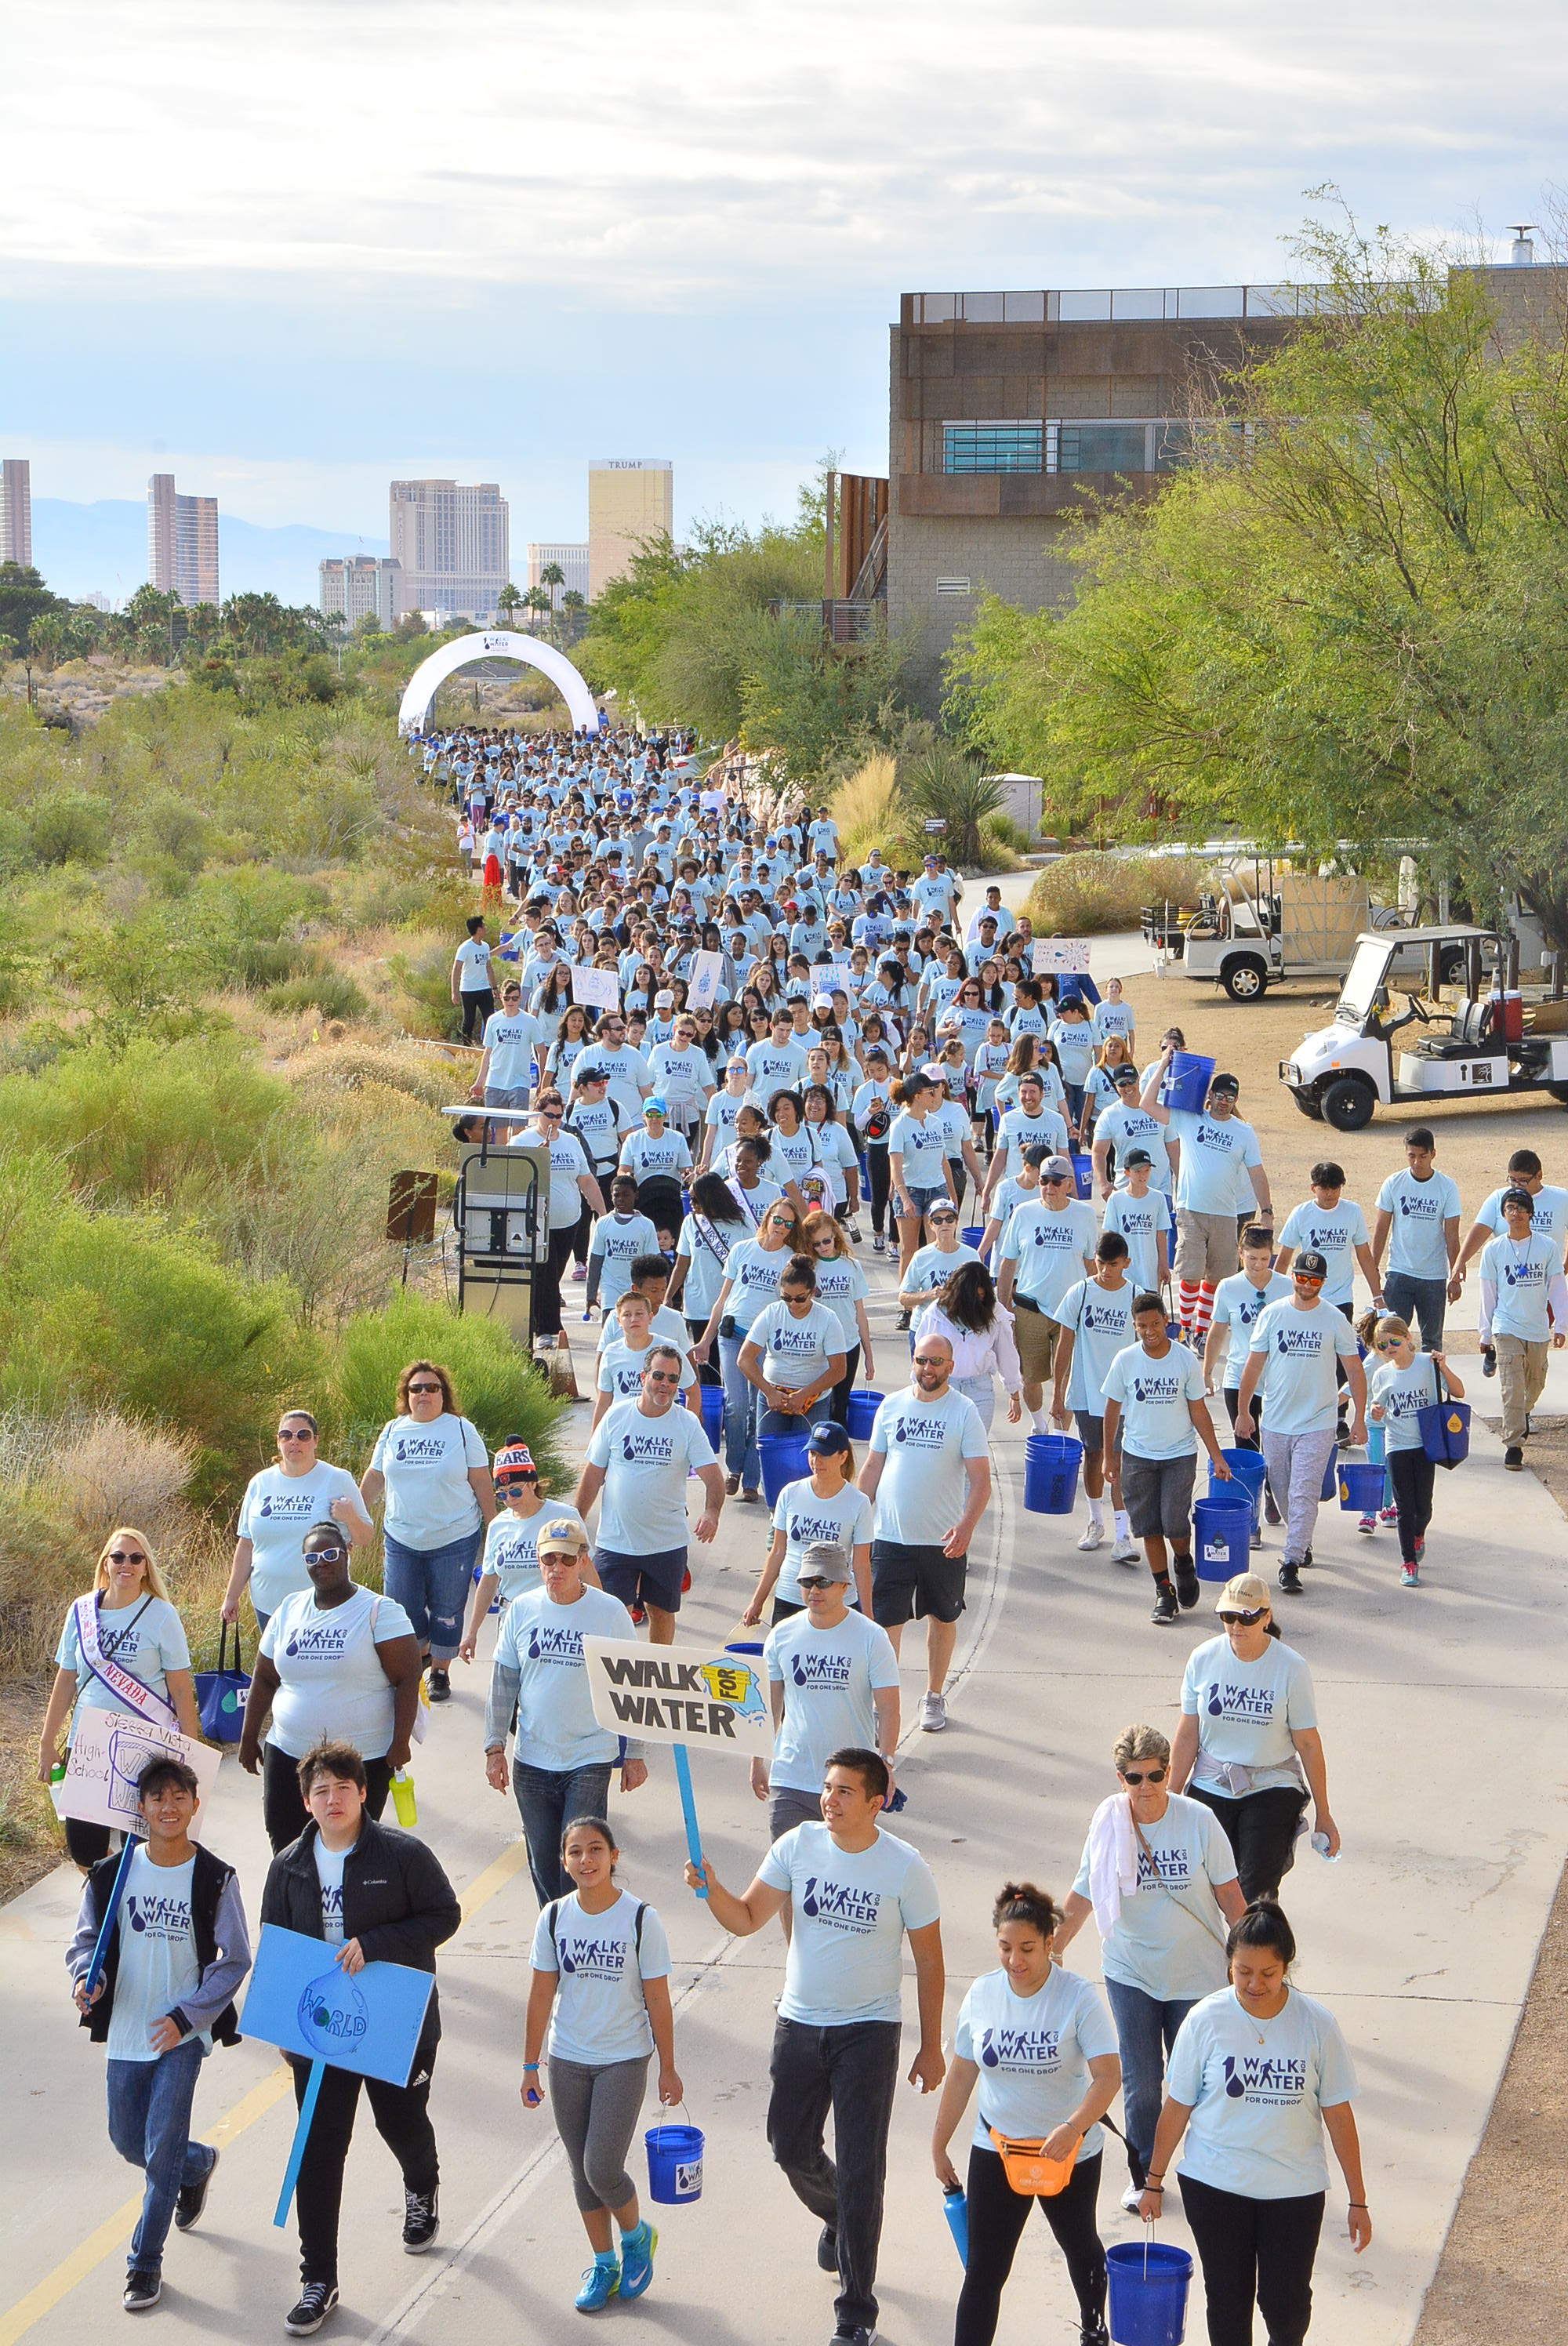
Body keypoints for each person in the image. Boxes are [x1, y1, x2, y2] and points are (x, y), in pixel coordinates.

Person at [684, 1750, 945, 2346]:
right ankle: (838, 2215)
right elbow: (746, 1917)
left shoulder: (905, 1867)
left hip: (869, 2032)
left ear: (876, 1802)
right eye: (827, 1788)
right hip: (799, 2025)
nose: (829, 1799)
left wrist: (931, 2047)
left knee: (861, 2169)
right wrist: (712, 1889)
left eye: (845, 1791)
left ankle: (856, 2311)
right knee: (789, 2146)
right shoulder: (797, 1845)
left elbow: (930, 1961)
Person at [260, 1739, 462, 2335]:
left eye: (343, 1788)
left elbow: (444, 1915)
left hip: (395, 2024)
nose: (333, 1800)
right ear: (306, 1802)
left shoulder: (402, 1854)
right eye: (321, 1790)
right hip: (322, 2032)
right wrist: (284, 2026)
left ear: (364, 1793)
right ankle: (318, 2278)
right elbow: (276, 1944)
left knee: (400, 2124)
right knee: (319, 2151)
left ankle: (421, 2183)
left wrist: (375, 1945)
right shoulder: (289, 1866)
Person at [67, 1755, 252, 2314]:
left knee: (159, 2151)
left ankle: (144, 2264)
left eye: (179, 1798)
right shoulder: (111, 1874)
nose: (168, 1807)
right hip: (128, 2030)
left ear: (195, 1805)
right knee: (130, 2141)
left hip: (181, 2037)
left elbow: (234, 1958)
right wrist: (88, 1978)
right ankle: (196, 2165)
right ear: (142, 1808)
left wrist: (187, 2016)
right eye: (157, 1798)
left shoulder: (216, 1877)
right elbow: (86, 1942)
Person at [1138, 1902, 1369, 2346]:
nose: (1254, 1984)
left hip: (1294, 2190)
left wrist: (1358, 2199)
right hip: (1216, 2185)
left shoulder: (1317, 2025)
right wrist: (1153, 2181)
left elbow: (1338, 2114)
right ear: (1229, 1964)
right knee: (1227, 2303)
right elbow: (1178, 2105)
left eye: (1268, 1973)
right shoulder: (1204, 2020)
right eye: (1243, 1972)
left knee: (1287, 2310)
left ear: (1286, 1967)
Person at [1055, 1726, 1245, 2210]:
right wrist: (1050, 1952)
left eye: (1156, 1776)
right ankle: (1143, 2175)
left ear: (1169, 1772)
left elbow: (1229, 1895)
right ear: (1120, 1778)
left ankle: (1209, 2170)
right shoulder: (1107, 1824)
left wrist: (1252, 1957)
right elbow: (1082, 1895)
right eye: (1134, 1778)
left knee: (1200, 2080)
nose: (1146, 1788)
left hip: (1196, 1975)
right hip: (1131, 1971)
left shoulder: (1198, 1821)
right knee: (1141, 2082)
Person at [932, 1880, 1120, 2346]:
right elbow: (962, 2073)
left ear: (1050, 1942)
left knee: (1080, 2245)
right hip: (998, 2148)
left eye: (1027, 1949)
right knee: (983, 2270)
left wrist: (1074, 2127)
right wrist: (939, 2144)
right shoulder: (982, 1994)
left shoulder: (1077, 1997)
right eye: (1005, 1948)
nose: (1015, 1960)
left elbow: (1108, 2077)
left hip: (1068, 2151)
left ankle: (1094, 2328)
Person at [522, 1816, 680, 2312]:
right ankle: (604, 2263)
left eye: (595, 1849)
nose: (585, 1860)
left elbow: (658, 1998)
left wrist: (668, 2066)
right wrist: (530, 2065)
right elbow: (541, 1993)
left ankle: (636, 2237)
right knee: (580, 2171)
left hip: (623, 2058)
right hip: (567, 2057)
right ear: (563, 1861)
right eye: (575, 1852)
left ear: (614, 1857)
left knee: (601, 2167)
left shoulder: (641, 1919)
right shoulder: (553, 1917)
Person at [484, 1518, 648, 1904]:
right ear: (538, 1561)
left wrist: (636, 1753)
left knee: (578, 1861)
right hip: (532, 1759)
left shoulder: (609, 1613)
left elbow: (634, 1687)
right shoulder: (521, 1610)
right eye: (549, 1559)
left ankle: (583, 1928)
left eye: (567, 1560)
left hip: (589, 1756)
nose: (557, 1568)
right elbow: (504, 1682)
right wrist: (494, 1747)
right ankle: (554, 1932)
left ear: (583, 1561)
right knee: (544, 1864)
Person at [239, 1522, 423, 1851]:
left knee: (349, 1847)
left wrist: (400, 1744)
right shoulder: (289, 1609)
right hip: (288, 1751)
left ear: (347, 1554)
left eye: (330, 1555)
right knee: (285, 1843)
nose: (321, 1563)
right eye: (312, 1558)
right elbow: (265, 1677)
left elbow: (408, 1679)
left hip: (363, 1757)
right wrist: (248, 1735)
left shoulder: (379, 1611)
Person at [752, 1542, 901, 1917]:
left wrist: (885, 1762)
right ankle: (796, 1954)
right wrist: (758, 1759)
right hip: (791, 1776)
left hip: (852, 1782)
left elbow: (888, 1707)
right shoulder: (782, 1635)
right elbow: (768, 1707)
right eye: (807, 1582)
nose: (814, 1590)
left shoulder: (871, 1637)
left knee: (842, 1884)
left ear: (845, 1585)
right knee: (788, 1881)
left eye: (824, 1581)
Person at [39, 1531, 201, 1871]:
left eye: (136, 1558)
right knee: (84, 1849)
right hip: (89, 1745)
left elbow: (180, 1688)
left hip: (146, 1747)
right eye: (118, 1557)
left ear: (145, 1568)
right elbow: (66, 1679)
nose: (126, 1564)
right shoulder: (81, 1611)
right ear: (105, 1563)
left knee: (144, 1847)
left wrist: (191, 1752)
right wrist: (47, 1742)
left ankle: (126, 1899)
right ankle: (103, 1894)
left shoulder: (162, 1615)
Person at [1169, 1571, 1338, 1895]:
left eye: (1246, 1618)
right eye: (1228, 1617)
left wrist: (1324, 1813)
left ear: (1266, 1617)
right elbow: (1188, 1734)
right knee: (1204, 1888)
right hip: (1212, 1782)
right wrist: (1171, 1798)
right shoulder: (1202, 1659)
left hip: (1272, 1785)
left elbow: (1308, 1744)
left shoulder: (1291, 1668)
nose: (1236, 1626)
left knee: (1255, 1891)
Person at [859, 1331, 992, 1732]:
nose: (927, 1369)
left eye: (936, 1362)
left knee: (943, 1618)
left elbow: (980, 1481)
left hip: (942, 1542)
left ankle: (934, 1695)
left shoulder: (964, 1412)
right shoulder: (891, 1405)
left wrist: (966, 1527)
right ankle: (883, 1704)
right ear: (912, 1362)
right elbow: (873, 1466)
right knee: (885, 1625)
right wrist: (854, 1516)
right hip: (890, 1537)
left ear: (950, 1367)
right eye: (921, 1360)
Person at [361, 1360, 495, 1701]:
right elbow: (375, 1476)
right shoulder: (393, 1431)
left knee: (447, 1611)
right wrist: (354, 1520)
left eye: (432, 1388)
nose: (424, 1394)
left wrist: (495, 1528)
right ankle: (422, 1653)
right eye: (416, 1388)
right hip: (402, 1539)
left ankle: (439, 1672)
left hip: (454, 1537)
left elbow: (481, 1480)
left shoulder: (461, 1430)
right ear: (406, 1395)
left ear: (443, 1394)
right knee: (402, 1608)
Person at [1235, 1250, 1366, 1596]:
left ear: (1324, 1283)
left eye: (1315, 1281)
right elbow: (1253, 1364)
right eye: (1302, 1278)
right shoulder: (1272, 1314)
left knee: (1304, 1492)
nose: (1307, 1285)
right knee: (1282, 1491)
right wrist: (1244, 1411)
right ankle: (1301, 1540)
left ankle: (1290, 1561)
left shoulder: (1335, 1319)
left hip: (1318, 1421)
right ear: (1292, 1276)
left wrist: (1359, 1418)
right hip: (1276, 1421)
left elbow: (1354, 1370)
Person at [574, 1346, 727, 1642]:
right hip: (616, 1541)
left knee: (660, 1612)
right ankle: (614, 1670)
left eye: (673, 1379)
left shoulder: (687, 1424)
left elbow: (713, 1477)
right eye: (659, 1376)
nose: (665, 1384)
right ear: (643, 1377)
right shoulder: (617, 1416)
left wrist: (712, 1512)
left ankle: (657, 1666)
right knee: (611, 1614)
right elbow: (593, 1475)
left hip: (666, 1543)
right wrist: (576, 1519)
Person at [1100, 1294, 1232, 1624]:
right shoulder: (1125, 1360)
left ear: (1166, 1322)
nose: (1150, 1331)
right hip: (1137, 1456)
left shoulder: (1185, 1360)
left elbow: (1198, 1410)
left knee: (1174, 1523)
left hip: (1179, 1455)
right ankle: (1164, 1592)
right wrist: (1109, 1457)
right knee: (1149, 1526)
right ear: (1134, 1326)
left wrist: (1217, 1456)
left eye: (1155, 1324)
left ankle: (1184, 1562)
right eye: (1142, 1326)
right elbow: (1112, 1410)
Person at [1140, 1057, 1272, 1345]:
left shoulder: (1244, 1131)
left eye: (1230, 1098)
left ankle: (1201, 1332)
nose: (1224, 1102)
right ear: (1210, 1095)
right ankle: (1187, 1329)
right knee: (1190, 1275)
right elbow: (1147, 1104)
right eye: (1220, 1095)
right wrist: (1163, 1064)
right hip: (1191, 1209)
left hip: (1226, 1212)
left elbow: (1257, 1172)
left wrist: (1267, 1211)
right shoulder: (1190, 1118)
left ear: (1235, 1101)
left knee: (1216, 1277)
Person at [224, 1410, 372, 1637]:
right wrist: (231, 1597)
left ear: (316, 1441)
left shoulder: (337, 1479)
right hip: (268, 1605)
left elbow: (365, 1537)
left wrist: (350, 1517)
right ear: (278, 1442)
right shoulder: (260, 1483)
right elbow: (246, 1545)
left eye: (303, 1435)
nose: (294, 1441)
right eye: (286, 1435)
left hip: (321, 1602)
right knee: (275, 1661)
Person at [695, 1196, 805, 1500]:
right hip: (732, 1335)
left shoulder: (790, 1259)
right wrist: (705, 1340)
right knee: (736, 1405)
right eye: (777, 1220)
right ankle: (734, 1468)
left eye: (788, 1224)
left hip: (764, 1343)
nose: (781, 1227)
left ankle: (751, 1480)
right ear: (767, 1218)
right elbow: (722, 1299)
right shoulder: (742, 1249)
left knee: (760, 1410)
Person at [1274, 1162, 1384, 1440]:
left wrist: (1377, 1295)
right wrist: (1275, 1295)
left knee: (1341, 1357)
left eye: (1335, 1188)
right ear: (1313, 1188)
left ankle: (1338, 1417)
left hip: (1340, 1298)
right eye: (1324, 1188)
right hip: (1307, 1297)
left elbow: (1364, 1254)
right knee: (1308, 1354)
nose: (1330, 1194)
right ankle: (1306, 1412)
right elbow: (1285, 1256)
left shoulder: (1352, 1212)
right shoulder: (1301, 1214)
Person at [994, 1153, 1098, 1433]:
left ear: (1069, 1185)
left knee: (1067, 1378)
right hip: (1031, 1308)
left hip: (1071, 1312)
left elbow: (1091, 1264)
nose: (1049, 1187)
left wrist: (1095, 1304)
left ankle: (1061, 1434)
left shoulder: (1085, 1215)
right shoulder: (1023, 1213)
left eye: (1056, 1182)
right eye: (1044, 1181)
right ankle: (1039, 1426)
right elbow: (1008, 1263)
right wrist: (1003, 1310)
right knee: (1031, 1377)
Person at [459, 1440, 591, 1657]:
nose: (509, 1499)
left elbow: (586, 1570)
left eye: (515, 1491)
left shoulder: (564, 1516)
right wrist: (472, 1633)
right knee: (507, 1677)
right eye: (502, 1494)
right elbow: (489, 1580)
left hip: (557, 1617)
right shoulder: (498, 1526)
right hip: (512, 1618)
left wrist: (599, 1615)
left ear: (532, 1483)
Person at [1050, 1232, 1137, 1558]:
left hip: (1124, 1397)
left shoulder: (1136, 1296)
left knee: (1120, 1460)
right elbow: (1065, 1344)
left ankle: (1123, 1535)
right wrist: (1058, 1394)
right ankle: (1095, 1521)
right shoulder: (1081, 1292)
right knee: (1094, 1456)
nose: (1105, 1270)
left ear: (1126, 1263)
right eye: (1101, 1263)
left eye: (1113, 1264)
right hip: (1086, 1392)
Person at [1363, 1312, 1466, 1587]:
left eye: (1394, 1341)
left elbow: (1459, 1392)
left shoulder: (1426, 1364)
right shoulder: (1382, 1374)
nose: (1389, 1348)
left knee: (1423, 1506)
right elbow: (1377, 1407)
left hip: (1426, 1444)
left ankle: (1418, 1535)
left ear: (1408, 1338)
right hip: (1397, 1445)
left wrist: (1443, 1367)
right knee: (1404, 1507)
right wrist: (1375, 1411)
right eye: (1382, 1345)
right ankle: (1408, 1562)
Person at [1203, 1228, 1292, 1542]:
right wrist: (1207, 1371)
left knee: (1277, 1448)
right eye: (1252, 1258)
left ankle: (1272, 1491)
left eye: (1265, 1259)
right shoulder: (1229, 1287)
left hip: (1278, 1379)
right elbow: (1217, 1332)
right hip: (1240, 1378)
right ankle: (1250, 1522)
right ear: (1241, 1254)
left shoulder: (1286, 1286)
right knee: (1247, 1449)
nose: (1258, 1265)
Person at [745, 1422, 875, 1622]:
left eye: (824, 1454)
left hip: (837, 1603)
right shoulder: (790, 1493)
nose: (816, 1461)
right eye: (812, 1453)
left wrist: (868, 1616)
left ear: (843, 1457)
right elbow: (778, 1551)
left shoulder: (858, 1503)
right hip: (790, 1596)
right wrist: (757, 1602)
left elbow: (861, 1564)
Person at [1477, 1185, 1568, 1468]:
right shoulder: (1493, 1250)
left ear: (1530, 1213)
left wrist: (1561, 1325)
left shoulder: (1547, 1247)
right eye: (1510, 1208)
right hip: (1506, 1327)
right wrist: (1485, 1332)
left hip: (1538, 1327)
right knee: (1512, 1386)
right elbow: (1488, 1293)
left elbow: (1557, 1287)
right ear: (1503, 1214)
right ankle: (1514, 1444)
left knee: (1535, 1382)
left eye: (1521, 1208)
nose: (1516, 1213)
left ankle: (1523, 1414)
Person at [1369, 1126, 1461, 1349]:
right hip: (1399, 1271)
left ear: (1433, 1154)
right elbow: (1381, 1229)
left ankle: (1432, 1374)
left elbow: (1452, 1234)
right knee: (1391, 1337)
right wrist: (1373, 1271)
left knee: (1432, 1341)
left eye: (1423, 1156)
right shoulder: (1394, 1183)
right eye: (1412, 1156)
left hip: (1433, 1276)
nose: (1417, 1162)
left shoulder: (1447, 1187)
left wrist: (1455, 1276)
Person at [530, 1090, 604, 1342]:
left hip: (569, 1222)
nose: (554, 1121)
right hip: (538, 1222)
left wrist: (603, 1214)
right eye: (549, 1115)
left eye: (558, 1116)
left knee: (553, 1276)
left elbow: (586, 1180)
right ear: (538, 1112)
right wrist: (538, 1157)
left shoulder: (571, 1141)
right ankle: (547, 1329)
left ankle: (537, 1319)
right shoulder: (523, 1140)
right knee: (546, 1275)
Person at [917, 1258, 1022, 1437]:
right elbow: (921, 1355)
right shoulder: (935, 1313)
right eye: (971, 1297)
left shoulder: (996, 1313)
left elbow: (1007, 1355)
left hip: (979, 1388)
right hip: (943, 1386)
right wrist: (918, 1390)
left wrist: (1014, 1394)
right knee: (944, 1445)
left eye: (981, 1297)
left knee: (975, 1444)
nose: (975, 1303)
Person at [1452, 1145, 1568, 1299]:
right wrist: (1461, 1261)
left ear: (1539, 1175)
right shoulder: (1499, 1198)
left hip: (1546, 1292)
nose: (1517, 1186)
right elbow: (1479, 1231)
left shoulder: (1561, 1198)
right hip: (1507, 1290)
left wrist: (1565, 1266)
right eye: (1512, 1180)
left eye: (1523, 1181)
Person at [802, 1211, 876, 1421]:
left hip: (848, 1344)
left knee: (839, 1405)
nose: (822, 1247)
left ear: (835, 1235)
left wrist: (869, 1356)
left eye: (827, 1241)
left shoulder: (852, 1265)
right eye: (816, 1244)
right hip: (819, 1346)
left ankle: (837, 1441)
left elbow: (860, 1313)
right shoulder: (810, 1268)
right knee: (816, 1404)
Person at [592, 1286, 699, 1426]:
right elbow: (603, 1402)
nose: (633, 1319)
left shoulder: (669, 1350)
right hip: (624, 1428)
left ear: (650, 1318)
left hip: (662, 1428)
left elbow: (693, 1391)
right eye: (627, 1315)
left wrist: (688, 1428)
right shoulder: (611, 1353)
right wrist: (595, 1438)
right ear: (619, 1321)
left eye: (639, 1314)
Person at [470, 975, 546, 1123]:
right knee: (498, 1129)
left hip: (520, 1082)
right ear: (501, 997)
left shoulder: (530, 1021)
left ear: (520, 998)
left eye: (515, 998)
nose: (511, 1002)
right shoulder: (493, 1020)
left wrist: (542, 1083)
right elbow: (487, 1053)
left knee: (518, 1128)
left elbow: (542, 1052)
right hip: (495, 1082)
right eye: (507, 998)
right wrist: (479, 1082)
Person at [584, 1174, 660, 1319]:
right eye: (616, 1195)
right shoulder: (603, 1223)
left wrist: (655, 1294)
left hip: (637, 1289)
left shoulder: (646, 1225)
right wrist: (591, 1296)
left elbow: (654, 1264)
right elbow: (595, 1261)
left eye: (626, 1195)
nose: (621, 1199)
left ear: (636, 1195)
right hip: (610, 1288)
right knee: (610, 1325)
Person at [1101, 1146, 1169, 1295]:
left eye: (1146, 1171)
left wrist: (1163, 1264)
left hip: (1149, 1272)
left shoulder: (1158, 1198)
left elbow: (1160, 1234)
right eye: (1138, 1171)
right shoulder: (1116, 1199)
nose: (1143, 1176)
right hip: (1124, 1272)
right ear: (1127, 1173)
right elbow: (1111, 1237)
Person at [450, 913, 494, 1044]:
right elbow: (456, 969)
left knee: (490, 1019)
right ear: (478, 930)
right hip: (468, 989)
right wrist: (454, 992)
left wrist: (494, 987)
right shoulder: (465, 947)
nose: (486, 929)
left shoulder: (485, 946)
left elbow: (489, 968)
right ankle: (466, 1047)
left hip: (484, 988)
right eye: (484, 926)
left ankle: (490, 1046)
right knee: (469, 1020)